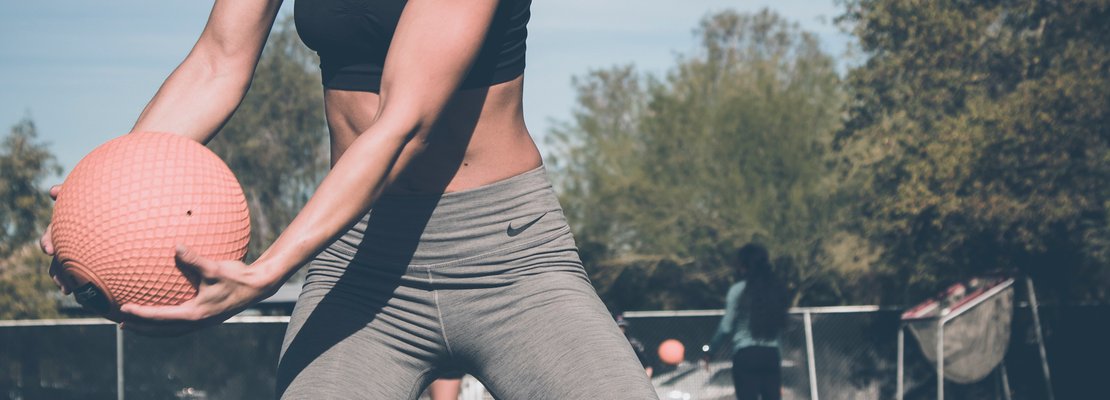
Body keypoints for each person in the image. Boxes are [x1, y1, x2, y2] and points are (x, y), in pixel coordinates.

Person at [40, 0, 659, 398]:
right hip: (362, 268)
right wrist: (103, 205)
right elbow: (217, 62)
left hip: (508, 260)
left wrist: (265, 273)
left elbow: (403, 125)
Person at [707, 243, 789, 400]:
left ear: (743, 266)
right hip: (771, 355)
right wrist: (777, 356)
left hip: (745, 355)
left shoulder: (738, 290)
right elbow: (779, 330)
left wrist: (710, 351)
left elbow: (725, 327)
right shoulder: (775, 290)